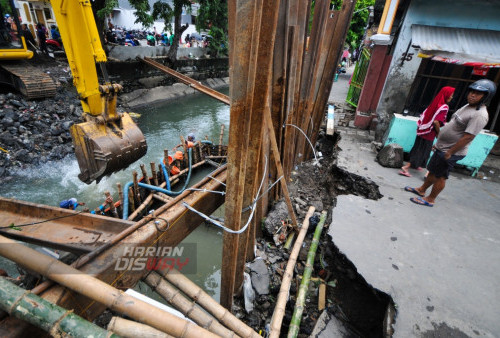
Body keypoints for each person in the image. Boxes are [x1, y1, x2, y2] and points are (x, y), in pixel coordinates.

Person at [405, 79, 496, 207]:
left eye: (478, 93)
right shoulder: (467, 106)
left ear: (486, 97)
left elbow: (468, 137)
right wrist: (440, 143)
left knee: (441, 176)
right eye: (472, 92)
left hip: (452, 151)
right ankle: (421, 190)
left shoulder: (480, 115)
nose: (473, 95)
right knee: (432, 171)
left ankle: (430, 199)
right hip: (443, 147)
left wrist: (450, 152)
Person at [399, 86, 455, 177]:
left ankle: (415, 165)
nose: (452, 97)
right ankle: (406, 167)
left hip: (423, 130)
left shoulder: (435, 103)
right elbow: (436, 122)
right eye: (451, 95)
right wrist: (438, 134)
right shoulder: (444, 107)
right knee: (422, 151)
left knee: (417, 148)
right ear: (446, 95)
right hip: (429, 133)